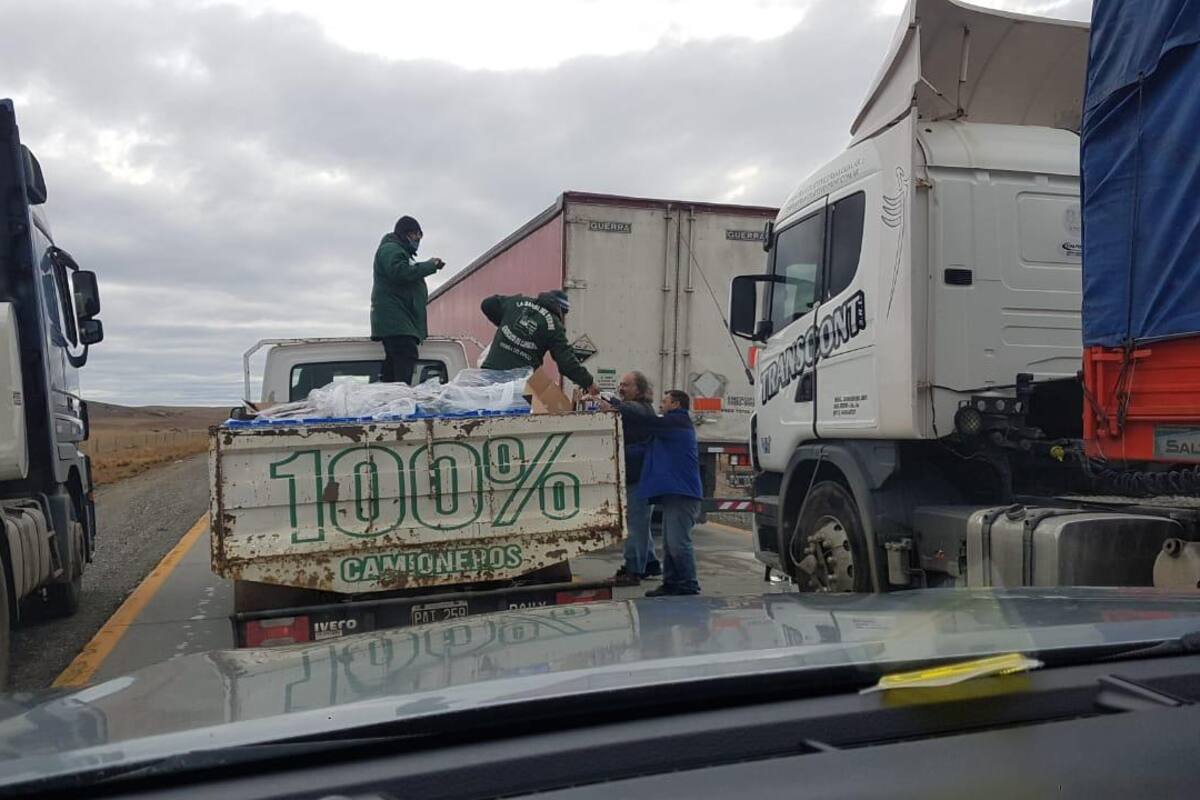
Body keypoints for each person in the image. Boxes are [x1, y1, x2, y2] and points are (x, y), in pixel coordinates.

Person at [603, 389, 702, 596]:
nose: (661, 406)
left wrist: (614, 403)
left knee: (678, 542)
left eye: (665, 401)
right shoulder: (668, 430)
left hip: (683, 494)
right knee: (669, 542)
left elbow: (645, 420)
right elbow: (642, 448)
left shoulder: (677, 422)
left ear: (675, 405)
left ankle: (688, 583)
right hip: (674, 494)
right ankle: (672, 582)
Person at [370, 215, 445, 384]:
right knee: (405, 356)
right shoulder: (391, 249)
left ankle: (390, 394)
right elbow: (400, 272)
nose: (418, 238)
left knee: (395, 362)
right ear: (405, 234)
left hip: (399, 320)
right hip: (397, 321)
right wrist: (428, 266)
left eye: (420, 235)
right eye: (415, 234)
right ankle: (399, 398)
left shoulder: (399, 252)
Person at [479, 291, 598, 394]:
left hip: (489, 375)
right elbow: (566, 362)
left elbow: (487, 304)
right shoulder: (554, 325)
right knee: (512, 417)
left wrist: (505, 324)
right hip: (517, 385)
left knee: (482, 414)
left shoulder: (516, 303)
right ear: (561, 310)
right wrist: (589, 383)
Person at [608, 371, 663, 586]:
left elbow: (625, 410)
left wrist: (607, 401)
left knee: (635, 524)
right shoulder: (637, 410)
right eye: (620, 384)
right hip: (638, 475)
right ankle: (649, 563)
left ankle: (633, 569)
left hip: (640, 476)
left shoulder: (640, 409)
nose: (621, 388)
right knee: (640, 523)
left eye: (627, 385)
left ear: (639, 390)